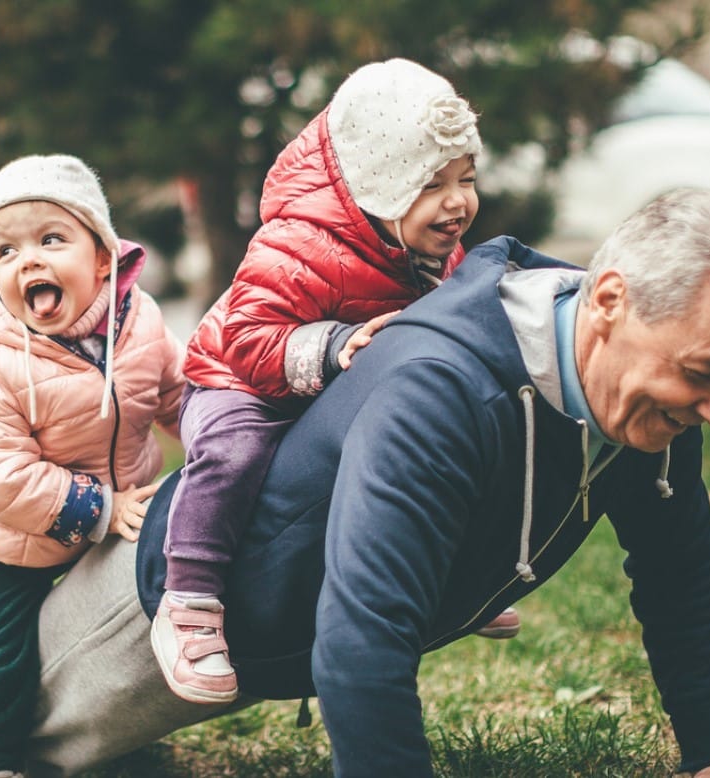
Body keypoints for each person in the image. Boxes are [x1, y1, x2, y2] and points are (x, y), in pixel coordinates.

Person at [0, 189, 710, 778]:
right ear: (611, 303)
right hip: (162, 613)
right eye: (707, 376)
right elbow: (359, 644)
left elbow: (677, 570)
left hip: (238, 608)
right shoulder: (445, 387)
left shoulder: (634, 377)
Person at [152, 56, 516, 706]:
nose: (458, 201)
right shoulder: (294, 244)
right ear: (377, 185)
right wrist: (333, 346)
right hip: (241, 379)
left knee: (427, 445)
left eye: (466, 177)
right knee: (234, 453)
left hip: (337, 380)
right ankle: (189, 598)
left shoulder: (427, 249)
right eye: (432, 183)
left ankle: (451, 576)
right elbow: (248, 338)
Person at [0, 154, 187, 778]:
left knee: (106, 633)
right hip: (6, 537)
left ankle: (104, 728)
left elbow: (177, 394)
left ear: (103, 256)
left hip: (113, 507)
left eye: (52, 239)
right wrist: (101, 509)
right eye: (6, 249)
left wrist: (221, 435)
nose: (29, 259)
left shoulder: (140, 323)